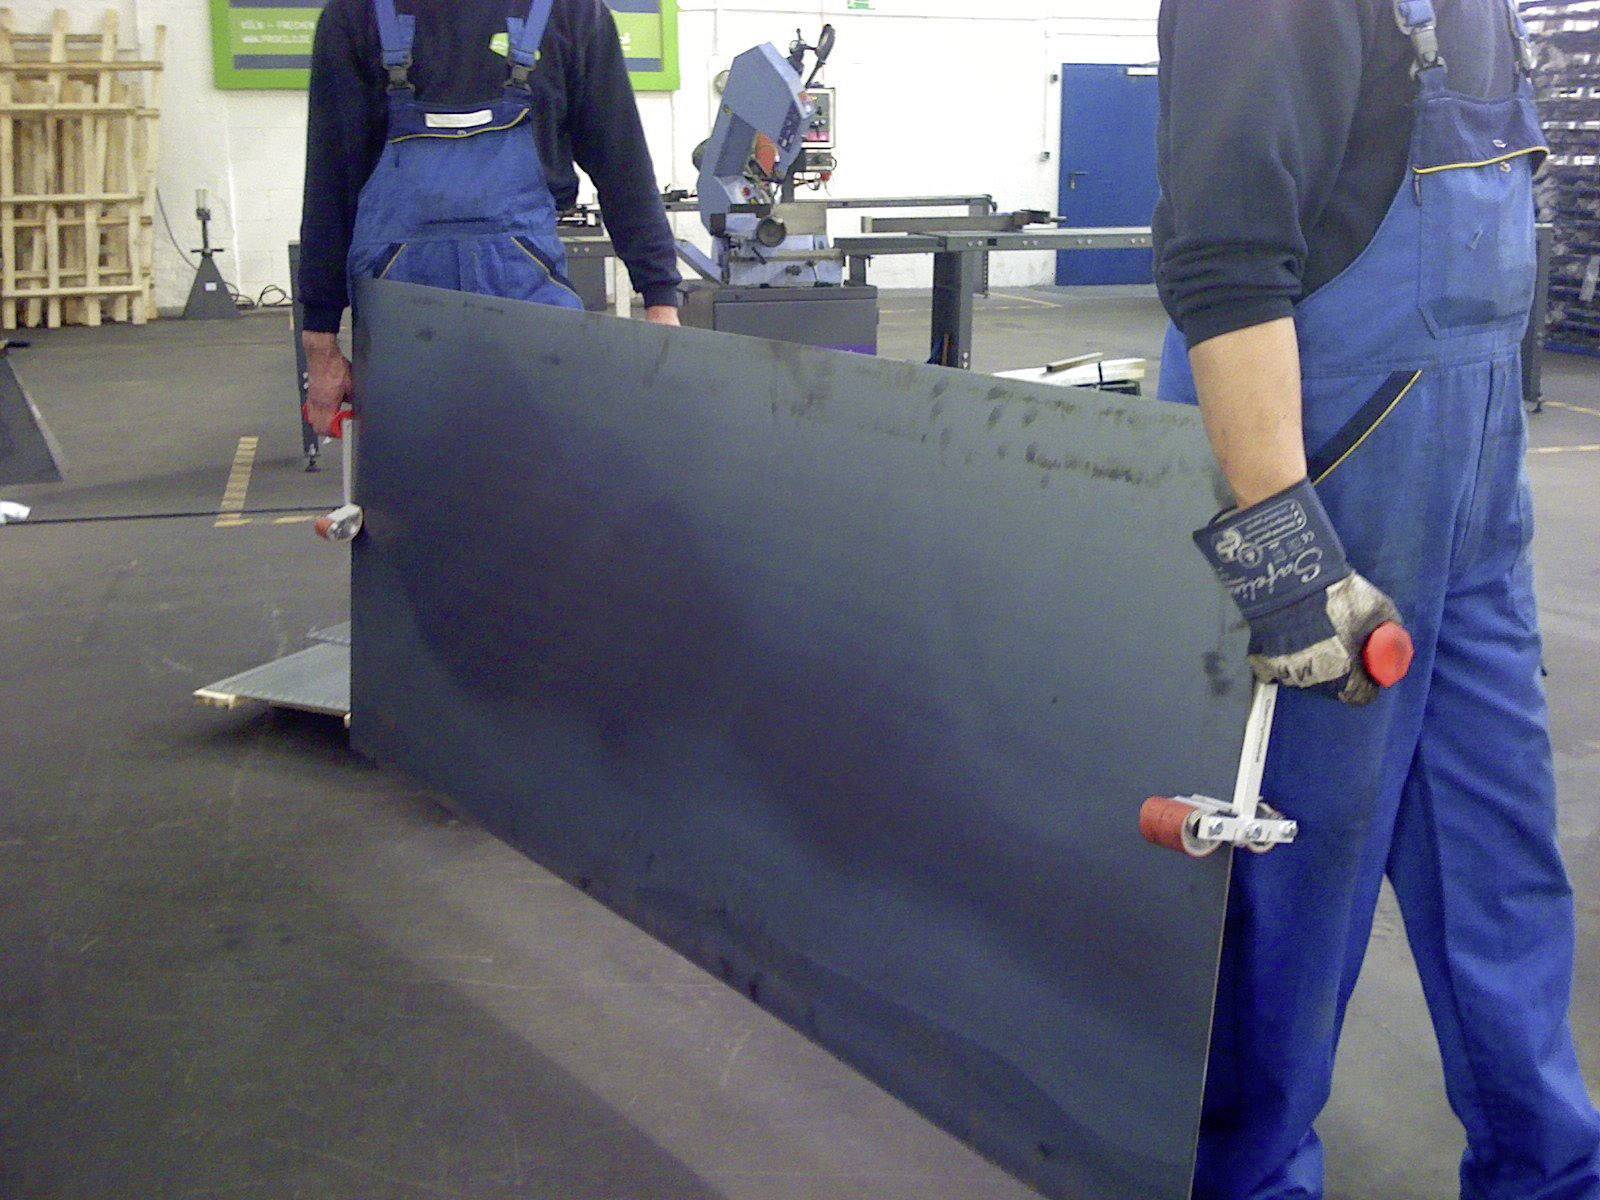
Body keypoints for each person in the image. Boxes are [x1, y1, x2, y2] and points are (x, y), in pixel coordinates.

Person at [1154, 0, 1600, 1197]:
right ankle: (1243, 1183)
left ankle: (1546, 1176)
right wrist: (1286, 560)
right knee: (1285, 889)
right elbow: (1221, 259)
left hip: (1470, 502)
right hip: (1320, 476)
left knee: (1499, 868)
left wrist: (1484, 486)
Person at [298, 0, 683, 436]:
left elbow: (623, 165)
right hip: (399, 326)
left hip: (530, 323)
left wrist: (660, 300)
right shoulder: (356, 14)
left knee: (545, 482)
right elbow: (330, 181)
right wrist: (320, 342)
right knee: (411, 490)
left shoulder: (572, 12)